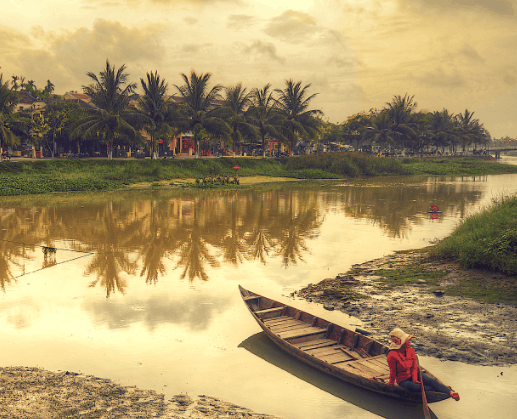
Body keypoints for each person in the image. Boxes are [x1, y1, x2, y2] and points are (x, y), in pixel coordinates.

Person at [387, 328, 460, 401]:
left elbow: (414, 367)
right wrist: (391, 383)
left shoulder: (411, 351)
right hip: (403, 380)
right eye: (407, 340)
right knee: (416, 387)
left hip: (414, 374)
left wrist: (415, 379)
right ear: (402, 343)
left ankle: (450, 392)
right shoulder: (392, 355)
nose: (409, 341)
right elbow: (393, 371)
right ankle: (442, 388)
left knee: (431, 381)